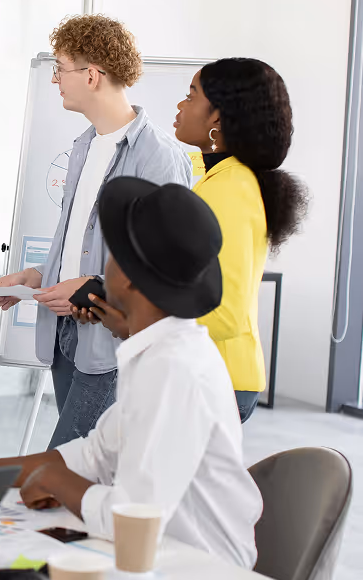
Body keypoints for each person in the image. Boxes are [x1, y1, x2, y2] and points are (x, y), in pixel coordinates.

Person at [0, 178, 263, 569]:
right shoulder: (161, 349)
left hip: (203, 573)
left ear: (126, 277)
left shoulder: (171, 368)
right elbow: (93, 455)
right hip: (163, 558)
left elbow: (134, 517)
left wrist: (56, 482)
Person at [0, 15, 191, 450]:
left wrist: (93, 288)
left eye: (60, 68)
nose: (55, 79)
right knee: (89, 470)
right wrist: (35, 277)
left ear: (92, 76)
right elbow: (79, 240)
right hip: (67, 333)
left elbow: (164, 267)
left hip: (113, 342)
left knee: (64, 466)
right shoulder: (84, 146)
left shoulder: (158, 158)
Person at [81, 59, 308, 423]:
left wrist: (134, 322)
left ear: (217, 117)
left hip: (215, 377)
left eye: (191, 96)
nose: (180, 105)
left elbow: (224, 312)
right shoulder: (216, 178)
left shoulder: (231, 188)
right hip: (200, 372)